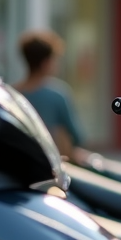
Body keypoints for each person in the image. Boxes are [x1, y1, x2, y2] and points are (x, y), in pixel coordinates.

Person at [13, 30, 89, 164]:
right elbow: (77, 137)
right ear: (46, 63)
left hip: (18, 161)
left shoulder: (12, 93)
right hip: (48, 164)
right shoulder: (57, 94)